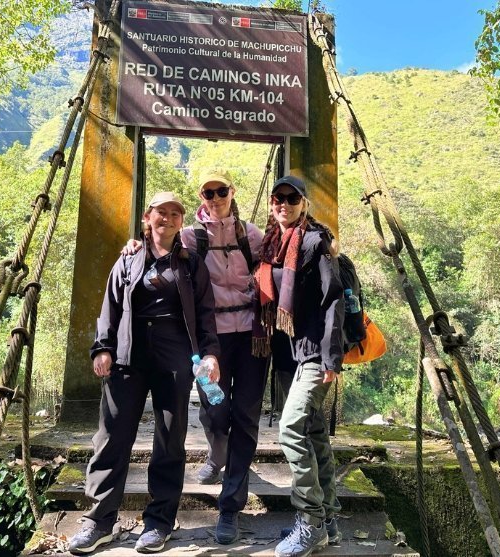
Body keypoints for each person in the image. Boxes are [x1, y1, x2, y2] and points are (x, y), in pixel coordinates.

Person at [68, 192, 221, 555]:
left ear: (181, 222)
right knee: (111, 437)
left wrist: (211, 354)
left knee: (170, 440)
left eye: (175, 214)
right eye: (160, 212)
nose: (167, 218)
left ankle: (159, 523)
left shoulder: (190, 263)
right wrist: (102, 348)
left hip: (174, 358)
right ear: (147, 218)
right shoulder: (128, 258)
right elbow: (110, 305)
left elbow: (205, 313)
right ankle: (99, 521)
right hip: (127, 355)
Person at [123, 170, 267, 544]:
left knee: (245, 417)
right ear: (201, 197)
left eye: (222, 191)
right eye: (208, 193)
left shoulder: (251, 235)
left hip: (252, 337)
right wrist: (134, 245)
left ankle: (230, 507)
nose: (216, 197)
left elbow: (279, 262)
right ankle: (218, 456)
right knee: (215, 411)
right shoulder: (189, 237)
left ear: (232, 192)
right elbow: (158, 244)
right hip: (207, 339)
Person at [252, 175, 343, 557]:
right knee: (314, 431)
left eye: (292, 198)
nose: (284, 204)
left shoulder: (314, 243)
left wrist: (332, 357)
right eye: (279, 198)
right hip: (290, 355)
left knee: (290, 429)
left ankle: (310, 523)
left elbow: (333, 300)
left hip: (316, 354)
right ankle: (329, 520)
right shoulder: (271, 244)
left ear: (304, 203)